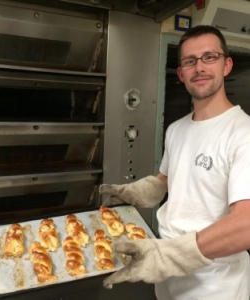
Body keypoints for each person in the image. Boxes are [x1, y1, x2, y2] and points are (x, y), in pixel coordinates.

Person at [99, 25, 250, 299]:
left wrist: (169, 255)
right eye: (190, 61)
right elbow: (166, 182)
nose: (199, 68)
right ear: (181, 73)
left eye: (209, 57)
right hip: (166, 273)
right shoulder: (176, 129)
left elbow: (246, 224)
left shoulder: (243, 133)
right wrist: (136, 191)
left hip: (214, 282)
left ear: (226, 65)